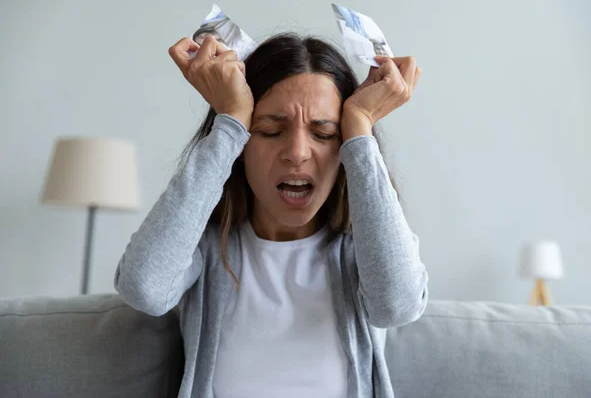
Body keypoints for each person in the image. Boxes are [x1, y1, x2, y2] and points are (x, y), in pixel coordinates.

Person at [114, 32, 428, 398]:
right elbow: (144, 288)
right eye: (270, 130)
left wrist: (360, 125)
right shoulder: (206, 249)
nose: (296, 153)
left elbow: (397, 307)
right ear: (242, 146)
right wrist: (229, 122)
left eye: (324, 134)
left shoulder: (367, 247)